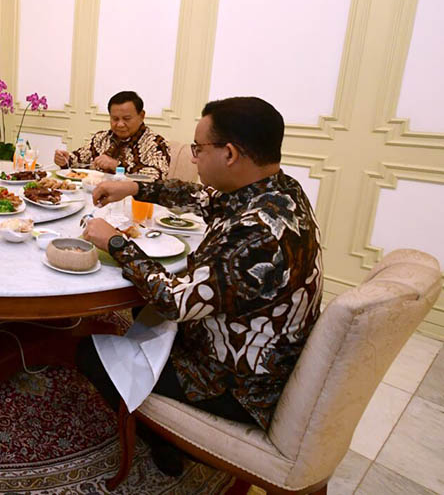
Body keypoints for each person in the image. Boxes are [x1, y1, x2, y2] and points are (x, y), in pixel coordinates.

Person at [76, 97, 322, 476]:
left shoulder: (257, 234)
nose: (192, 158)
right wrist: (134, 188)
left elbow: (175, 301)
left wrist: (115, 242)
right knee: (143, 309)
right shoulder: (277, 192)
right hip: (254, 345)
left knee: (88, 351)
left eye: (198, 148)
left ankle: (164, 440)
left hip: (238, 383)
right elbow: (203, 199)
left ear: (229, 153)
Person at [54, 91, 170, 179]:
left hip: (131, 203)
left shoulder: (156, 144)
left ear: (142, 115)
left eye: (126, 119)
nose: (120, 124)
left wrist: (117, 166)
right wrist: (65, 159)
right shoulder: (101, 138)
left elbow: (157, 177)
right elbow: (79, 159)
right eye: (115, 119)